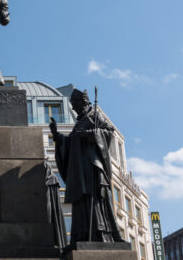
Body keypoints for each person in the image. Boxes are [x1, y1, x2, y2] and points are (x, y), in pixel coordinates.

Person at [48, 89, 124, 246]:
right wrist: (57, 136)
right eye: (73, 106)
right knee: (82, 202)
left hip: (93, 166)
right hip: (80, 171)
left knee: (96, 200)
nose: (74, 109)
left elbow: (109, 132)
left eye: (75, 105)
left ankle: (101, 235)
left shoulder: (94, 115)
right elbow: (70, 142)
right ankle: (82, 236)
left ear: (83, 103)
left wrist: (90, 134)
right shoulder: (79, 122)